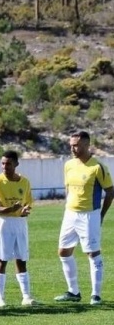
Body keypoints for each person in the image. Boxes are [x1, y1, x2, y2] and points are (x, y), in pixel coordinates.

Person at [55, 131, 114, 305]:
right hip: (70, 214)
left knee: (92, 253)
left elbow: (110, 192)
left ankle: (95, 295)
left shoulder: (97, 167)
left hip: (90, 215)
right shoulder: (68, 165)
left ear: (87, 145)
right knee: (64, 252)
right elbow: (68, 188)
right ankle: (73, 292)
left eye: (77, 145)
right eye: (71, 145)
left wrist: (100, 215)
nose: (73, 148)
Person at [0, 151, 38, 308]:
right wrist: (11, 208)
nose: (4, 167)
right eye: (2, 163)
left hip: (20, 224)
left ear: (16, 164)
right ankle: (0, 299)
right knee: (2, 260)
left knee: (21, 259)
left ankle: (26, 297)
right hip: (4, 223)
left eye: (8, 164)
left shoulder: (25, 182)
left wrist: (25, 210)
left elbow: (28, 203)